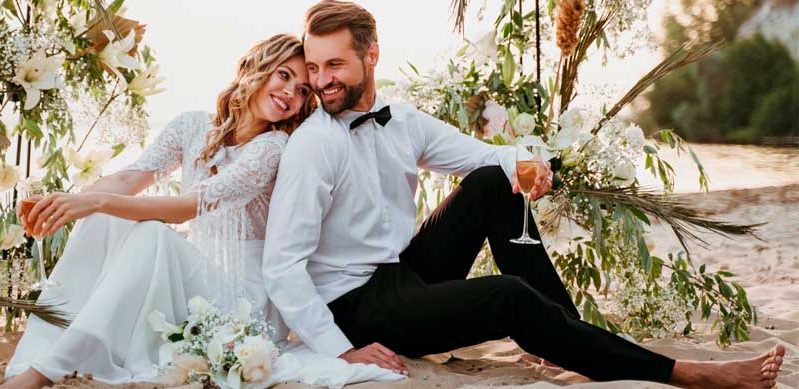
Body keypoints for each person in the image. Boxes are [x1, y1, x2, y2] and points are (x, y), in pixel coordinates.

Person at [262, 1, 786, 388]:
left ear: (371, 56)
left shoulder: (401, 121)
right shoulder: (314, 149)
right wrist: (341, 351)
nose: (321, 80)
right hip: (355, 308)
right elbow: (282, 266)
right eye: (314, 67)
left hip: (402, 274)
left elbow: (481, 156)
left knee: (495, 180)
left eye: (334, 65)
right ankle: (683, 373)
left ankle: (568, 340)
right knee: (506, 293)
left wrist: (527, 164)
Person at [0, 33, 317, 388]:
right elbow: (128, 180)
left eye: (304, 89)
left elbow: (185, 209)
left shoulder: (273, 147)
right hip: (196, 281)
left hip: (244, 301)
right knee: (101, 217)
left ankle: (44, 372)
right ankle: (47, 346)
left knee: (149, 231)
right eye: (284, 75)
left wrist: (94, 200)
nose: (292, 92)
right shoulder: (192, 125)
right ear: (253, 69)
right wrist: (70, 201)